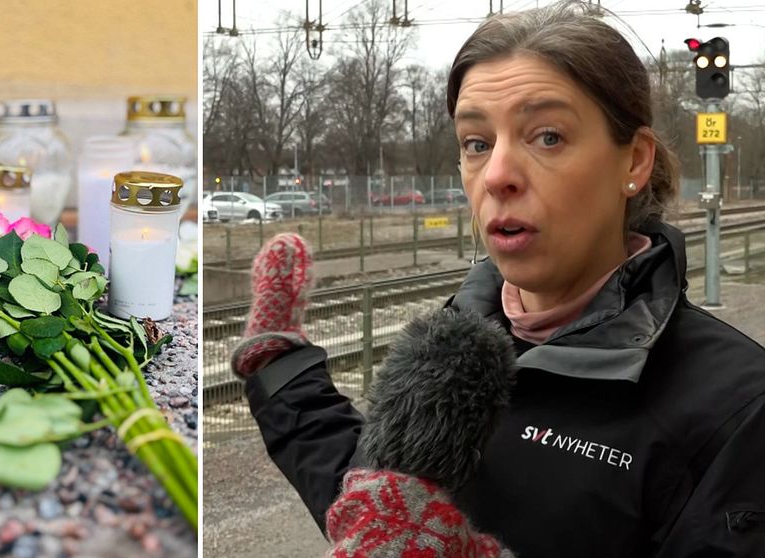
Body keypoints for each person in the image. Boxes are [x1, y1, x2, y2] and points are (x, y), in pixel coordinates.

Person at [230, 2, 765, 556]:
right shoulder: (453, 336)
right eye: (476, 144)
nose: (498, 175)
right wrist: (281, 369)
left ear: (633, 161)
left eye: (548, 137)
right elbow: (374, 503)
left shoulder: (738, 409)